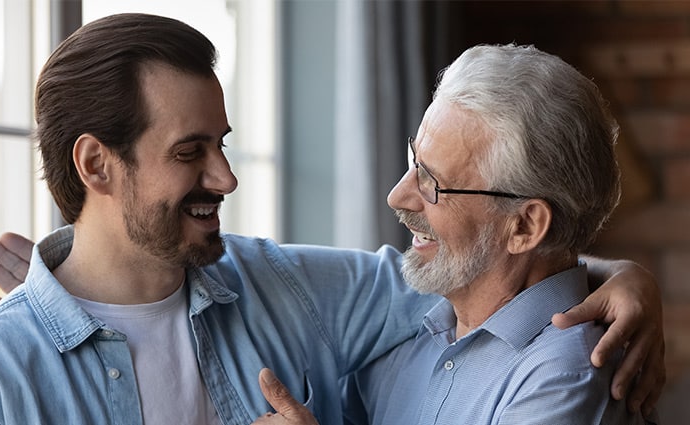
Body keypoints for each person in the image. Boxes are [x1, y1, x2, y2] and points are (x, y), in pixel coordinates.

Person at [0, 14, 662, 425]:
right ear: (97, 164)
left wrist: (620, 275)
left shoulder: (300, 292)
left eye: (223, 146)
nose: (226, 177)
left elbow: (499, 278)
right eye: (191, 151)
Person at [252, 44, 660, 425]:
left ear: (524, 226)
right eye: (415, 160)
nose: (398, 195)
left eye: (432, 182)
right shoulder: (413, 318)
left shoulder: (567, 379)